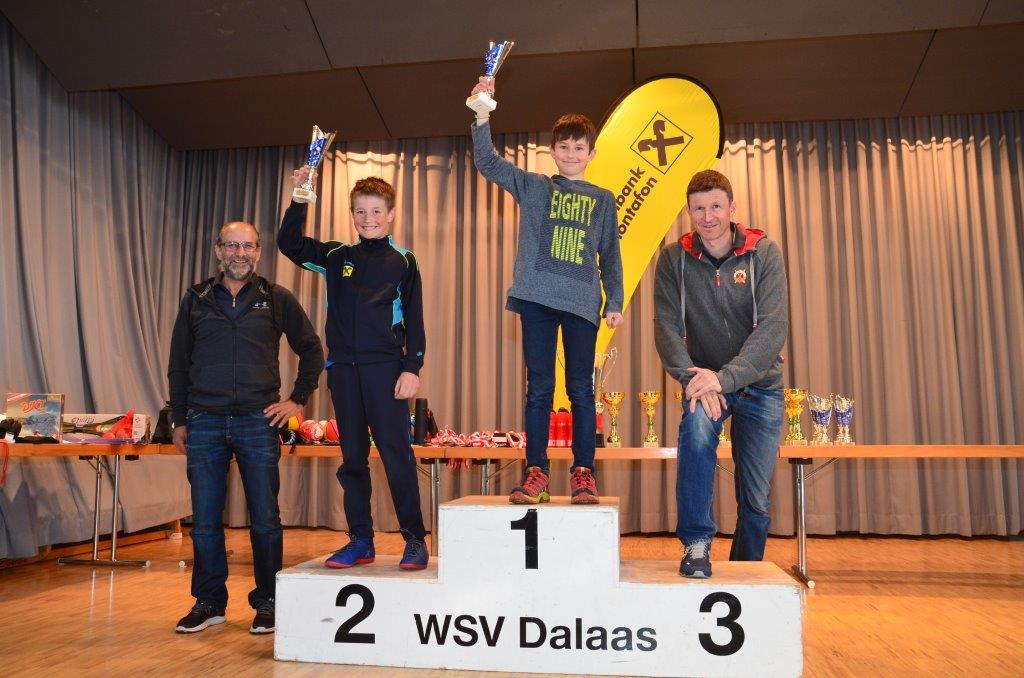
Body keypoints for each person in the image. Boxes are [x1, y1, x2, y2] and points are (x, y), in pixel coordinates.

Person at [469, 76, 624, 505]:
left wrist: (614, 300)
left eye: (580, 148)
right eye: (564, 146)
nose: (571, 154)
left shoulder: (603, 199)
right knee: (538, 387)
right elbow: (488, 163)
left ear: (591, 154)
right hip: (537, 299)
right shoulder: (535, 186)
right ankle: (535, 471)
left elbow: (610, 255)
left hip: (581, 304)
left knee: (580, 390)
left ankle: (583, 473)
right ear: (552, 150)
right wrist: (482, 115)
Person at [168, 221, 324, 633]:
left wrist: (297, 400)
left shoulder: (276, 297)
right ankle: (209, 602)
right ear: (218, 250)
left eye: (248, 246)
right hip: (203, 421)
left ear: (258, 252)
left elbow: (312, 350)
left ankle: (268, 601)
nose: (240, 253)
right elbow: (178, 364)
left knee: (266, 518)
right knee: (204, 521)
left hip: (258, 420)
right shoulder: (196, 299)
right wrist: (179, 418)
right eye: (232, 245)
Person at [278, 174, 430, 571]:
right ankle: (361, 540)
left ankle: (415, 539)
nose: (368, 219)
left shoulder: (403, 260)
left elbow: (415, 318)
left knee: (396, 456)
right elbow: (289, 244)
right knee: (352, 460)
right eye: (360, 211)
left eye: (376, 211)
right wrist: (299, 198)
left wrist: (412, 366)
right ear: (352, 214)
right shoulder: (335, 255)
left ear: (391, 214)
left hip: (386, 371)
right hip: (344, 371)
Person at [653, 169, 789, 578]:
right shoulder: (673, 259)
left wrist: (724, 378)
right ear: (688, 212)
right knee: (696, 431)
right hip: (705, 384)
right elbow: (665, 328)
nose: (707, 216)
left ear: (732, 208)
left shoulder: (764, 253)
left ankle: (744, 572)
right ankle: (696, 543)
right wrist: (696, 380)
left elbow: (773, 328)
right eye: (698, 208)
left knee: (756, 500)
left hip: (760, 385)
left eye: (715, 206)